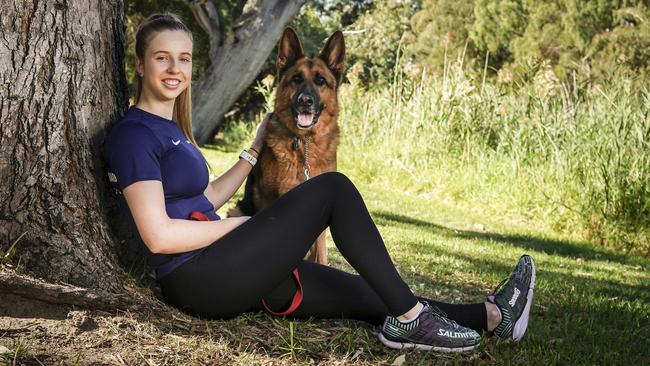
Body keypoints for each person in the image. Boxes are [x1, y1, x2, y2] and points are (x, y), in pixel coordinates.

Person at [103, 13, 536, 353]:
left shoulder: (172, 130)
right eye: (162, 57)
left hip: (226, 266)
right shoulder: (134, 134)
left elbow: (205, 197)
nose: (175, 68)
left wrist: (253, 152)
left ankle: (494, 316)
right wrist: (240, 227)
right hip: (199, 279)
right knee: (333, 188)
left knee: (367, 293)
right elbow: (158, 237)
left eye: (184, 58)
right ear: (140, 64)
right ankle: (413, 321)